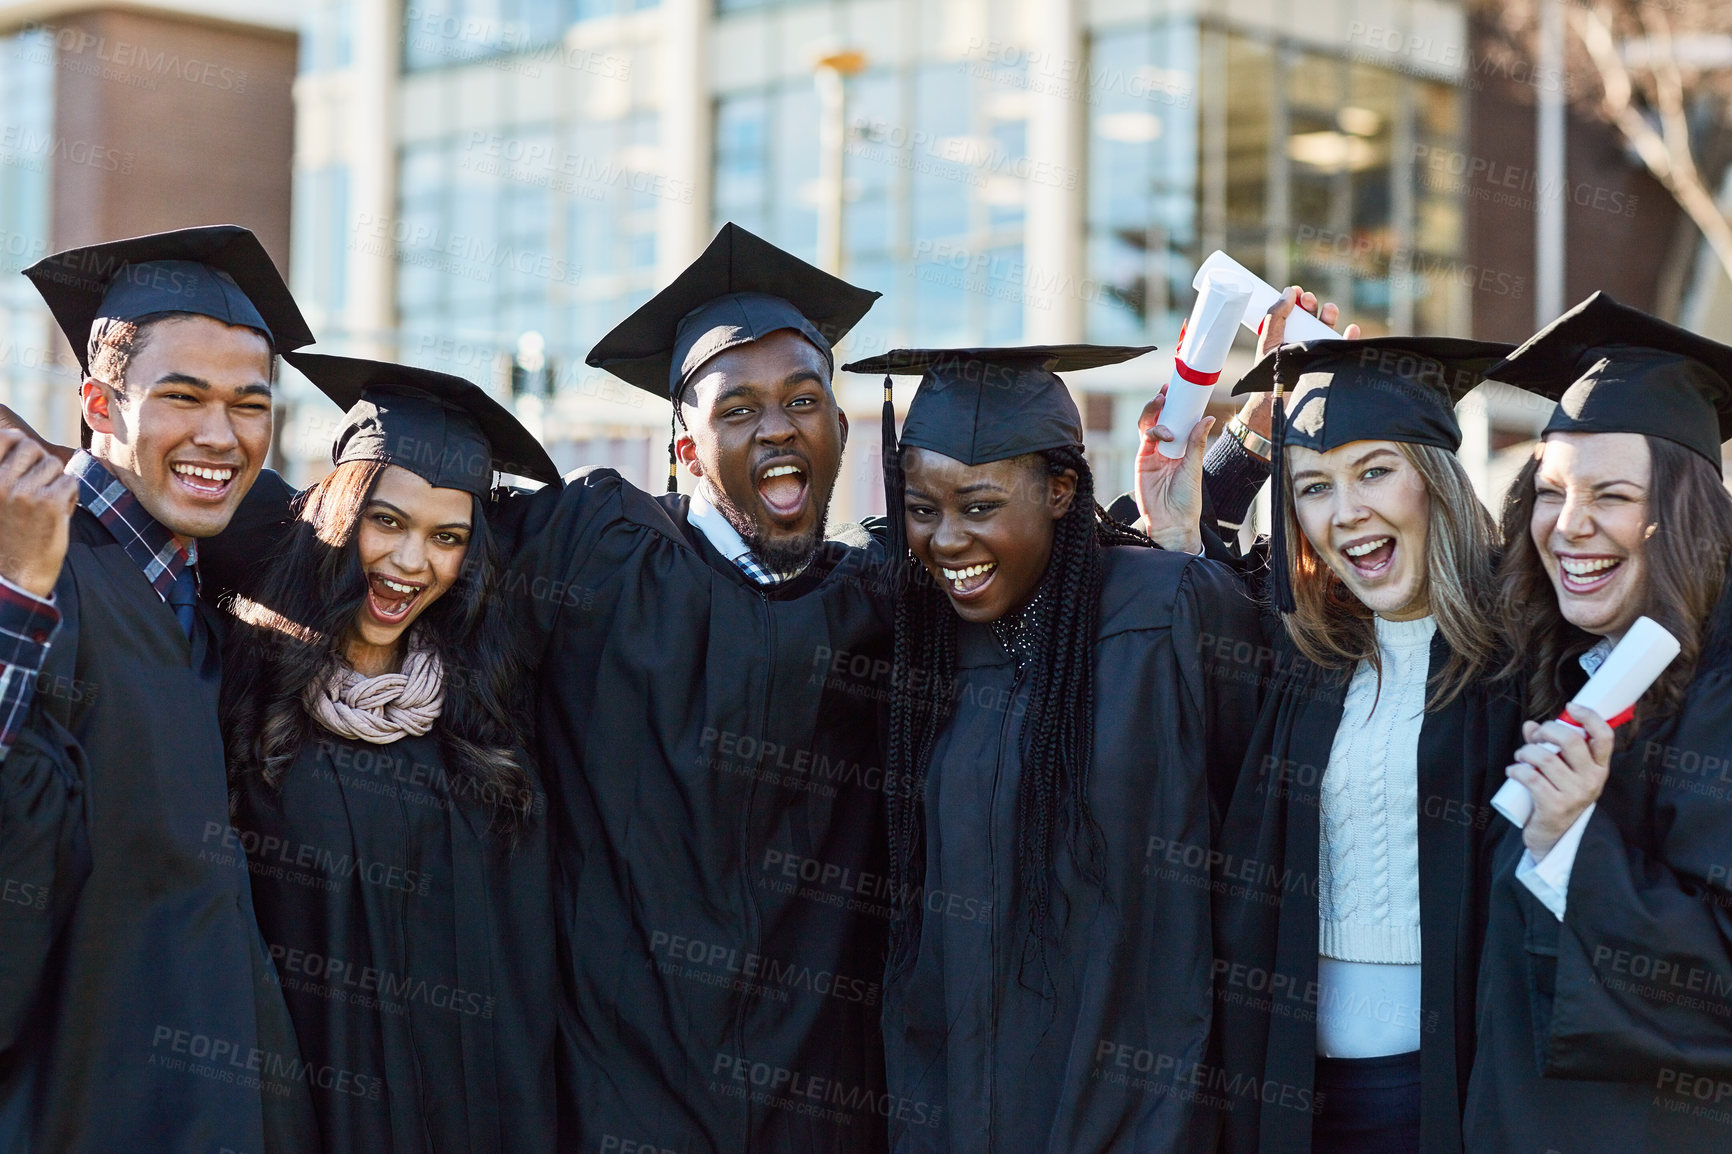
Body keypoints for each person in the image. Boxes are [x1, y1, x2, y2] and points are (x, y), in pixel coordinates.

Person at [503, 223, 895, 1152]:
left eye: (803, 400)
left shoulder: (882, 608)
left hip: (820, 1097)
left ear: (840, 431)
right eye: (735, 410)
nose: (776, 427)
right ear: (683, 452)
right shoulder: (597, 558)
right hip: (622, 1088)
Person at [845, 343, 1262, 1153]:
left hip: (1135, 1114)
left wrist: (1223, 490)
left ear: (1062, 490)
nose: (945, 540)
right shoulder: (903, 633)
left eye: (978, 505)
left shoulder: (1159, 614)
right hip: (950, 1107)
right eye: (922, 509)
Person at [1142, 334, 1525, 1154]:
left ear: (1437, 479)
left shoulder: (1521, 659)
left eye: (1375, 470)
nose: (1346, 511)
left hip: (1448, 1101)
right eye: (1314, 486)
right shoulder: (1305, 660)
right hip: (1295, 1099)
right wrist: (1200, 502)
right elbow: (1185, 666)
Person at [0, 225, 319, 1152]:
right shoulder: (38, 572)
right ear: (98, 403)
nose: (220, 435)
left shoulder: (203, 591)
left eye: (249, 405)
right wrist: (18, 592)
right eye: (181, 397)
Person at [219, 353, 565, 1152]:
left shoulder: (488, 719)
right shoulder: (250, 702)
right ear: (341, 515)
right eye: (387, 521)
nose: (413, 564)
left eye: (447, 537)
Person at [1463, 293, 1732, 1152]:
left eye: (1610, 495)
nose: (1568, 526)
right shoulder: (1557, 665)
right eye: (1550, 492)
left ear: (1684, 515)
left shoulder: (1723, 693)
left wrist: (1569, 837)